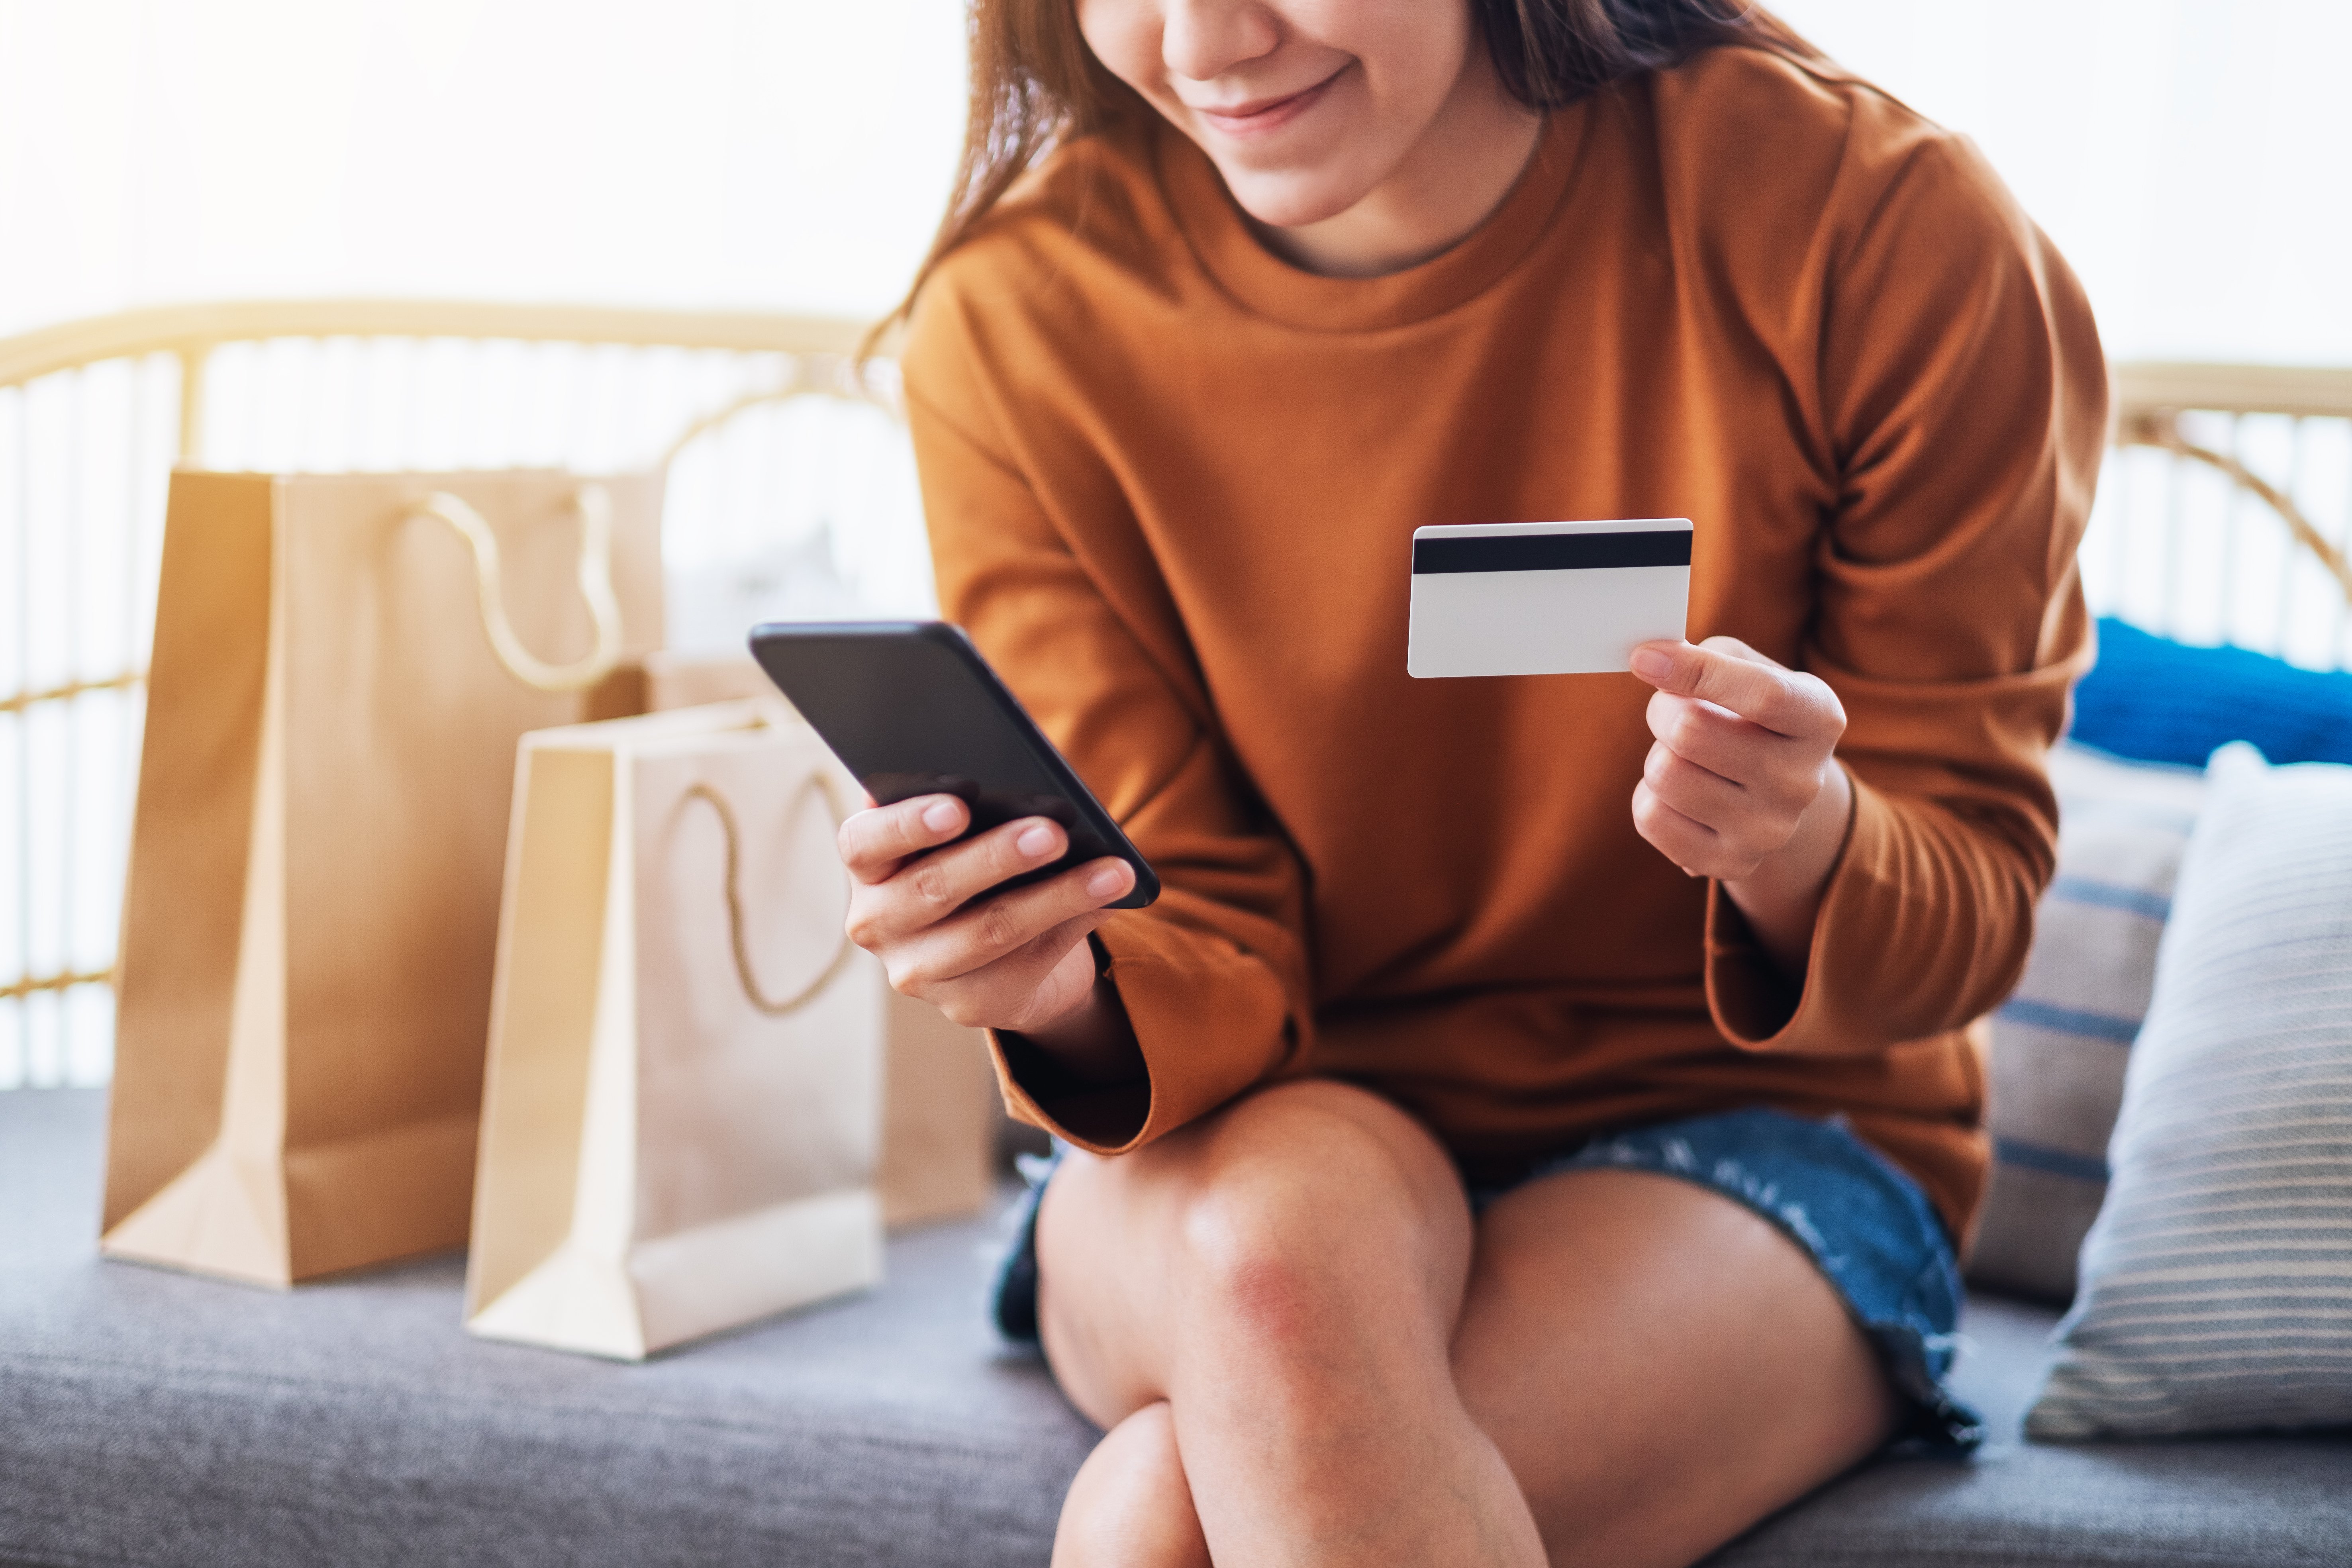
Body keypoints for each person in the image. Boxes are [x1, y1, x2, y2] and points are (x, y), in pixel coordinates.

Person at [837, 2, 2104, 1563]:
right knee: (1275, 1272)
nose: (1208, 40)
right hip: (1249, 1125)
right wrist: (1054, 978)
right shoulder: (1018, 319)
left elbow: (1969, 912)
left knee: (1165, 1520)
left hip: (1760, 1138)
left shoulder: (1875, 229)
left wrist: (1804, 839)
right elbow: (1193, 913)